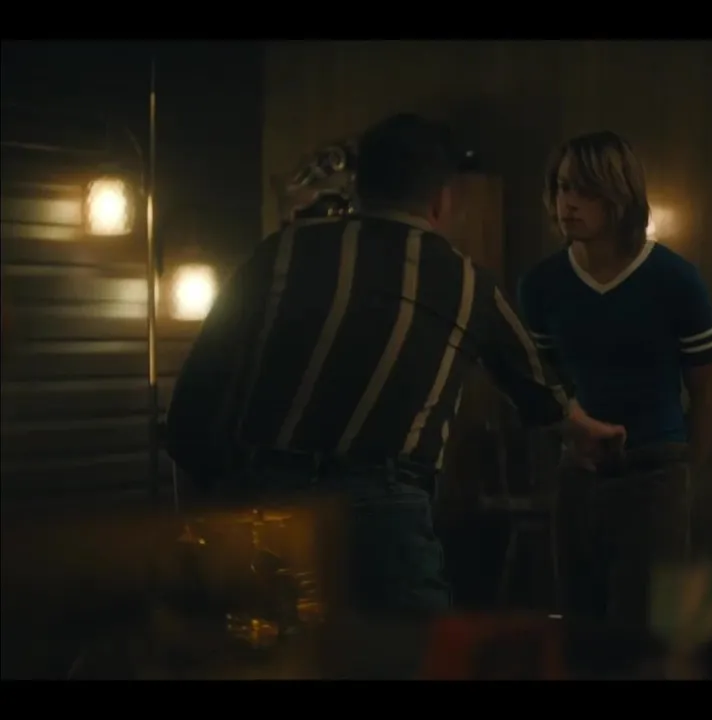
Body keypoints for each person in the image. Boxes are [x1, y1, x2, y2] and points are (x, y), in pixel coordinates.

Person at [165, 113, 626, 621]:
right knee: (409, 653)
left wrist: (205, 515)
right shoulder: (465, 282)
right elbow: (542, 393)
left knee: (269, 651)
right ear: (441, 200)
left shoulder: (281, 252)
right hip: (380, 508)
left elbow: (195, 400)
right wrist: (590, 433)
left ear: (358, 187)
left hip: (263, 496)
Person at [518, 131, 712, 627]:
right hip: (579, 472)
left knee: (647, 628)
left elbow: (706, 390)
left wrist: (686, 473)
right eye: (563, 187)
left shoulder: (675, 280)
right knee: (579, 622)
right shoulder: (542, 284)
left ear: (619, 197)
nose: (568, 203)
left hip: (656, 470)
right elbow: (547, 385)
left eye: (585, 190)